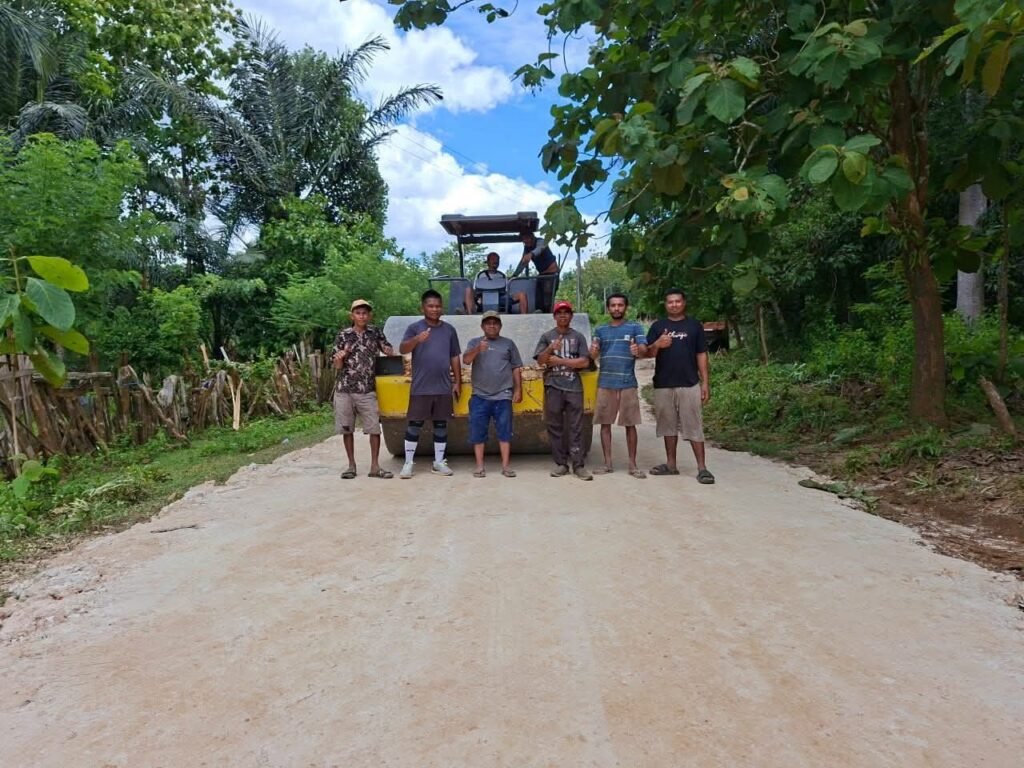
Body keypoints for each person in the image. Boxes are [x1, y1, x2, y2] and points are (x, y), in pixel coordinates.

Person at [646, 288, 714, 483]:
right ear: (665, 305)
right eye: (670, 302)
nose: (674, 305)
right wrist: (658, 344)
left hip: (689, 383)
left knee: (694, 426)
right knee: (667, 426)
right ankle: (671, 465)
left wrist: (705, 382)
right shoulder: (658, 326)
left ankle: (702, 468)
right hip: (663, 384)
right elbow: (647, 353)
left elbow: (701, 354)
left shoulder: (694, 326)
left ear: (684, 303)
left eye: (677, 301)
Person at [398, 289, 462, 478]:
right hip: (421, 386)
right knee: (414, 425)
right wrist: (417, 339)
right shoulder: (414, 328)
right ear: (423, 308)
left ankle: (439, 462)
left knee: (441, 425)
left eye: (438, 306)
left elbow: (454, 356)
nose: (435, 309)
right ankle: (408, 463)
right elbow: (403, 349)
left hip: (443, 386)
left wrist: (457, 381)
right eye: (431, 306)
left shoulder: (449, 330)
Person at [331, 298, 395, 479]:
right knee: (347, 429)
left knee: (374, 429)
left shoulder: (375, 332)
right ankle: (351, 465)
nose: (362, 316)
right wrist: (340, 357)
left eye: (365, 313)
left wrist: (388, 350)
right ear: (352, 316)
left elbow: (388, 348)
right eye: (358, 313)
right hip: (345, 389)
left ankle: (375, 466)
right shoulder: (343, 335)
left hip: (367, 389)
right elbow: (336, 365)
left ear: (369, 315)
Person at [589, 293, 648, 478]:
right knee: (604, 425)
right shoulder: (600, 330)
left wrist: (637, 350)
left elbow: (644, 350)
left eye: (620, 305)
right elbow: (593, 355)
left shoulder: (635, 327)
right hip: (605, 383)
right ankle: (607, 464)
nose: (616, 308)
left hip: (627, 383)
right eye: (613, 305)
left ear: (626, 307)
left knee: (630, 424)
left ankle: (633, 465)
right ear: (608, 308)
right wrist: (593, 352)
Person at [534, 300, 593, 480]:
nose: (563, 316)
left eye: (566, 312)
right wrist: (551, 349)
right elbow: (541, 361)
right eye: (559, 313)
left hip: (574, 387)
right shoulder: (547, 336)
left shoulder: (578, 337)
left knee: (576, 426)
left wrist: (560, 361)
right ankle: (561, 464)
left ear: (571, 316)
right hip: (553, 387)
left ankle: (578, 465)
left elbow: (584, 362)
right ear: (554, 316)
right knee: (555, 426)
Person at [462, 311, 524, 478]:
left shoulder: (508, 343)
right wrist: (478, 349)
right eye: (488, 323)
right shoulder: (474, 342)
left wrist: (518, 389)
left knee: (505, 431)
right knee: (477, 432)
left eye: (495, 323)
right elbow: (466, 360)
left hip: (503, 395)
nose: (492, 326)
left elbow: (516, 367)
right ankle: (479, 466)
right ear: (482, 326)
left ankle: (506, 466)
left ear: (500, 326)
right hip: (479, 395)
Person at [462, 251, 528, 315]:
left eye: (497, 260)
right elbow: (476, 291)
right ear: (488, 262)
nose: (495, 261)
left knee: (522, 294)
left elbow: (506, 291)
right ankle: (469, 315)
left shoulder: (502, 275)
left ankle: (524, 317)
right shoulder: (480, 275)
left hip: (500, 299)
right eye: (493, 259)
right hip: (483, 298)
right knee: (468, 290)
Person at [511, 231, 560, 313]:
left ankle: (548, 317)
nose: (526, 241)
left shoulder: (541, 241)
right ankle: (538, 316)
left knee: (547, 302)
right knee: (539, 303)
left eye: (527, 238)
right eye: (524, 240)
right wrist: (514, 275)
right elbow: (523, 262)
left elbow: (539, 249)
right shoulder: (527, 247)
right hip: (541, 276)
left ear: (532, 236)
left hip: (551, 275)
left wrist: (531, 254)